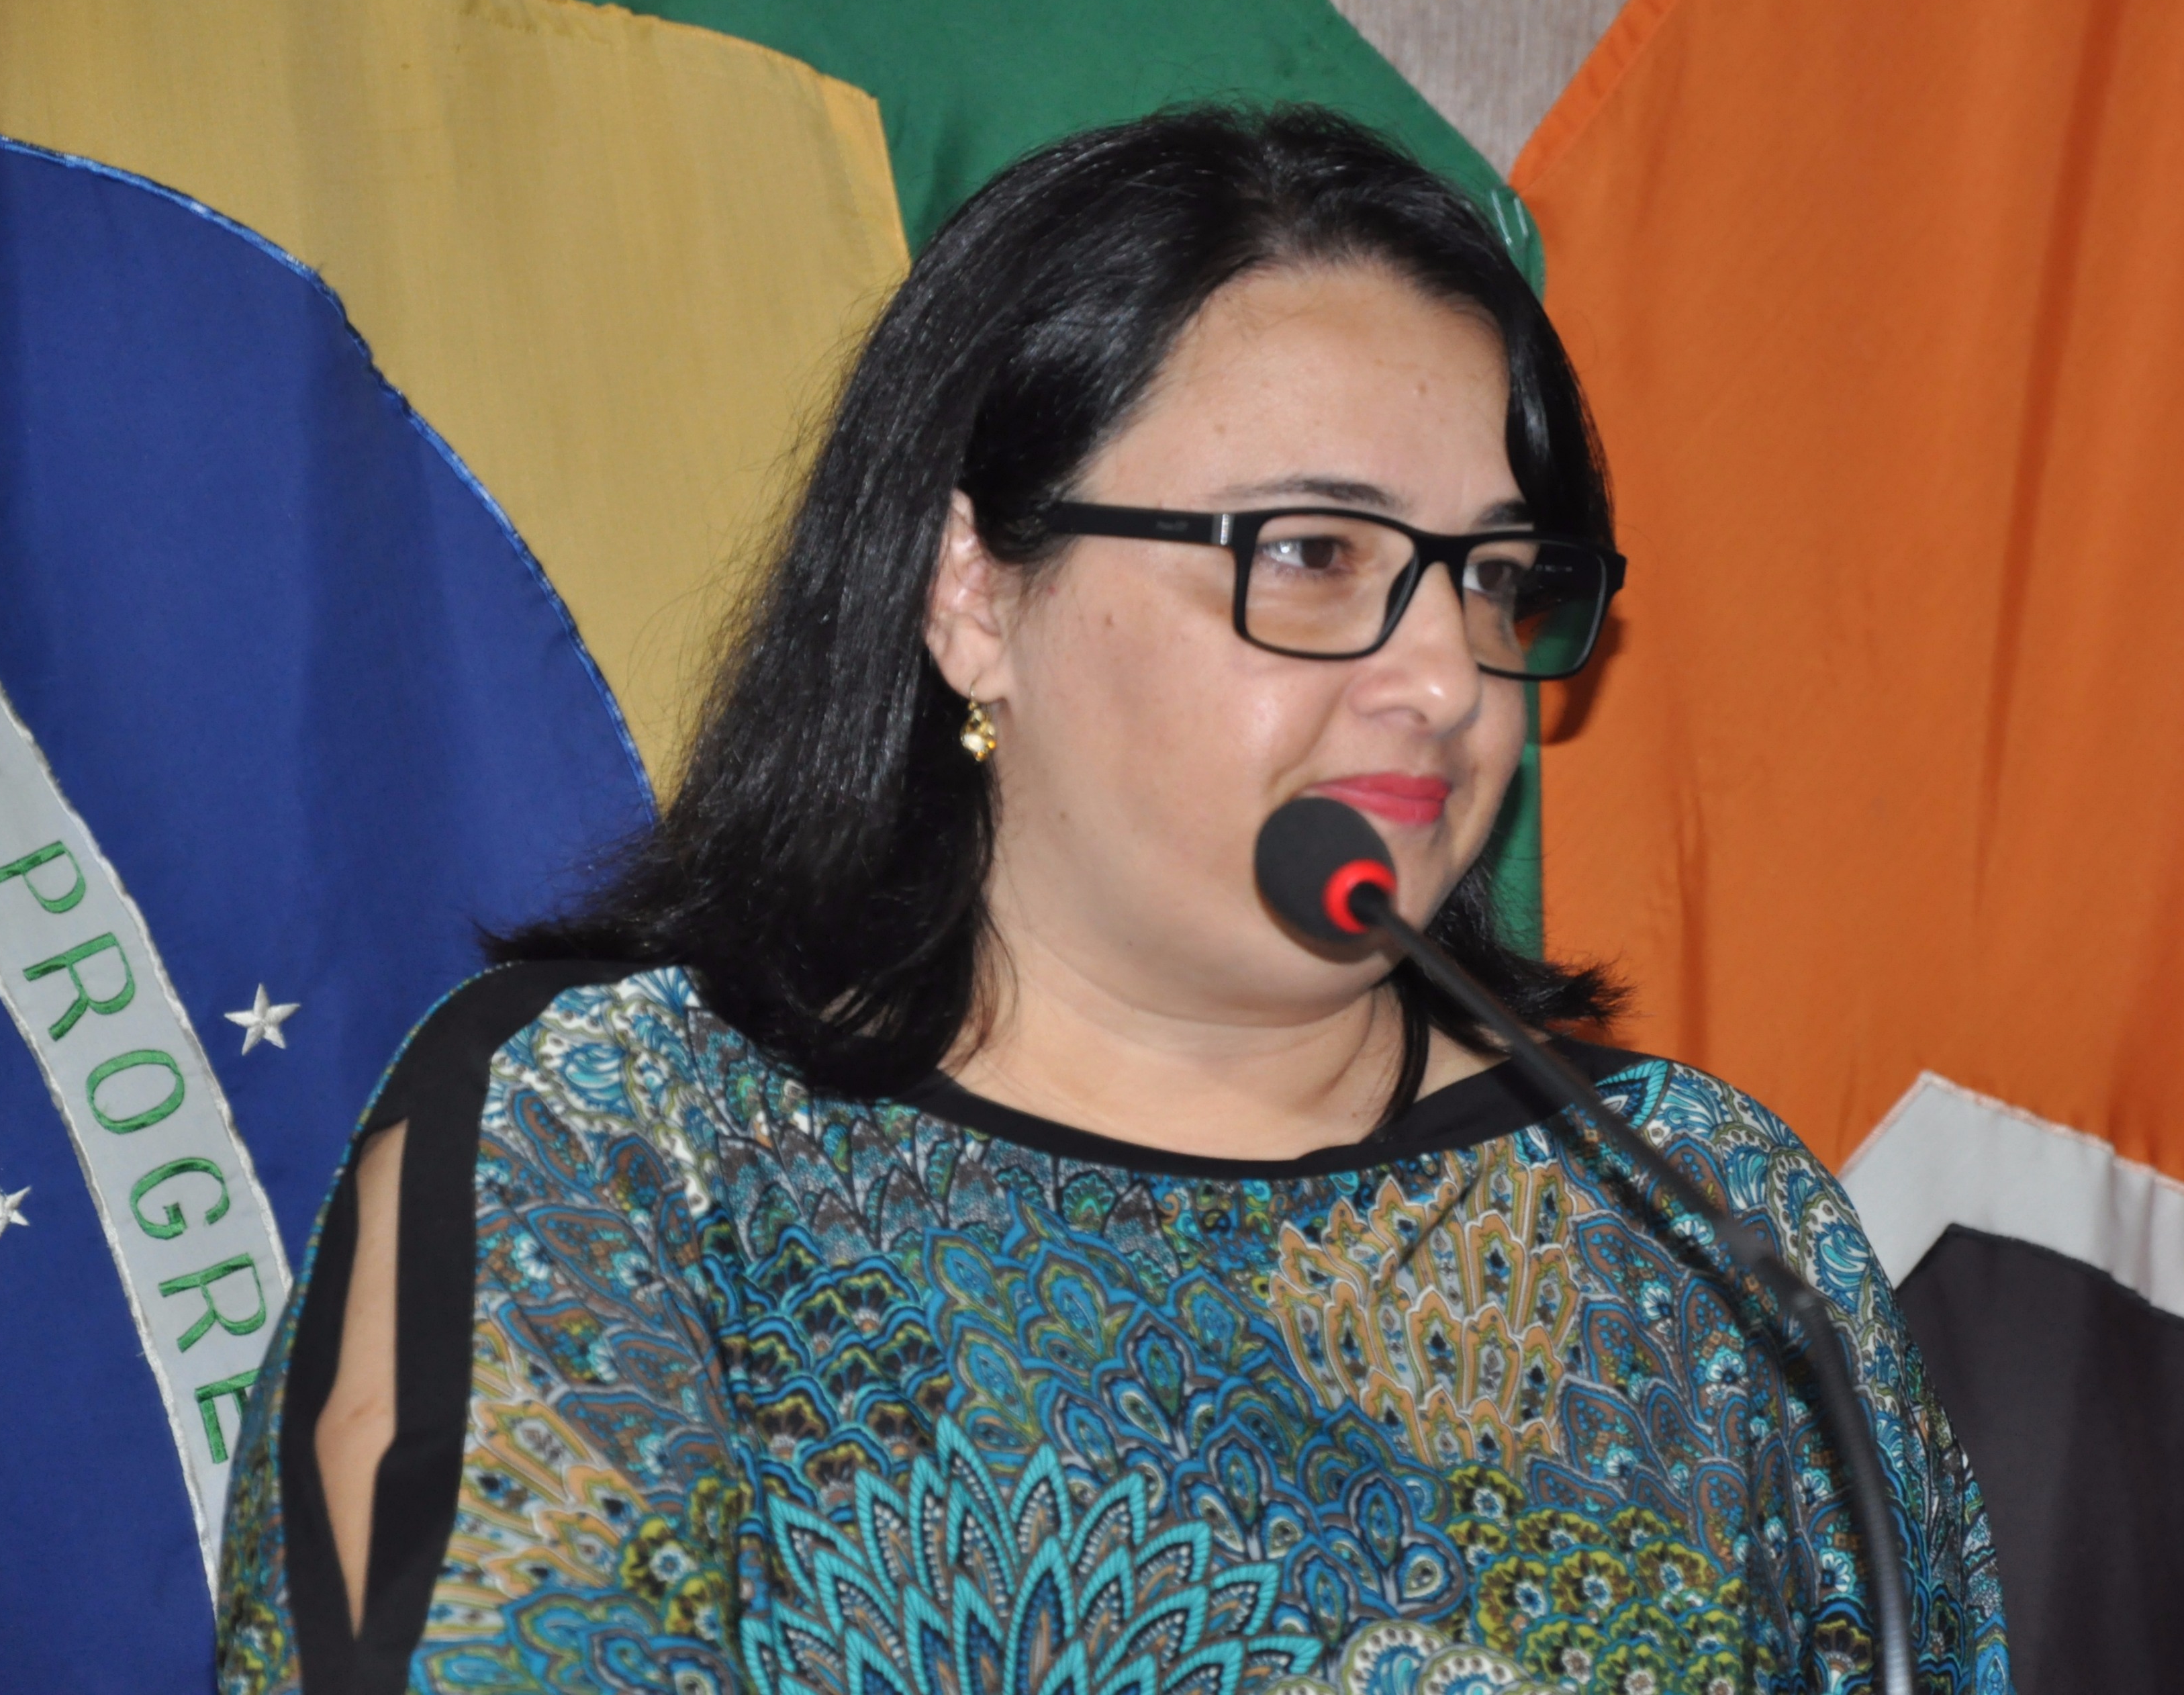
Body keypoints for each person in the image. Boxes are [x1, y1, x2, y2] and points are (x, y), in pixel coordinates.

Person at [216, 105, 2009, 1695]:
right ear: (975, 594)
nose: (1445, 680)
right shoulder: (626, 1145)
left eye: (1493, 577)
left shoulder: (1704, 1225)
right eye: (1314, 555)